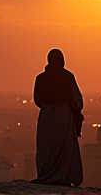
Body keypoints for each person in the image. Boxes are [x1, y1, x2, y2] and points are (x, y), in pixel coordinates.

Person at [31, 49, 84, 187]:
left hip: (47, 116)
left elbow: (37, 100)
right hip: (63, 115)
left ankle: (46, 175)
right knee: (63, 147)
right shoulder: (67, 77)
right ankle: (62, 177)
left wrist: (48, 106)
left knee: (47, 147)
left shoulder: (40, 78)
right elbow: (77, 100)